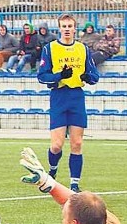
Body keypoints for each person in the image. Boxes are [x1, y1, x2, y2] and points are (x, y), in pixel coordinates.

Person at [37, 14, 99, 193]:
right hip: (58, 96)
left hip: (76, 97)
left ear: (74, 29)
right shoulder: (50, 49)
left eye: (69, 26)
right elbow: (42, 76)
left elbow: (94, 75)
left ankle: (74, 184)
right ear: (59, 29)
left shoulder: (82, 49)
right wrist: (59, 76)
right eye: (63, 26)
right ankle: (53, 169)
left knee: (77, 143)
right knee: (56, 145)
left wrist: (87, 77)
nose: (66, 29)